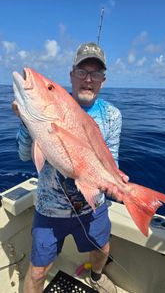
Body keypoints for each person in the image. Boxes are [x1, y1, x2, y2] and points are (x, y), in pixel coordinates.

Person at [13, 42, 122, 293]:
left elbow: (111, 161)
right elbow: (23, 155)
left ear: (103, 80)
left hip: (92, 206)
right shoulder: (52, 106)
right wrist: (25, 121)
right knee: (38, 270)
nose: (88, 79)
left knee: (102, 249)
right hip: (49, 210)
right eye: (82, 71)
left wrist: (112, 184)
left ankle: (96, 277)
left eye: (95, 73)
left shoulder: (112, 115)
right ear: (71, 75)